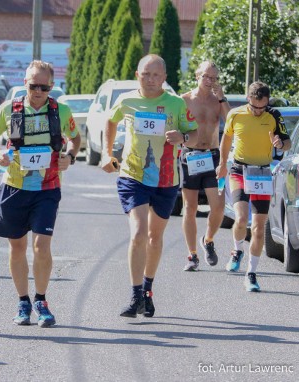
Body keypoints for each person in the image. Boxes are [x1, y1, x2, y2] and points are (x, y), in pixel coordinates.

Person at [0, 60, 81, 327]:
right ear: (24, 83)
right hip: (14, 186)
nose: (37, 91)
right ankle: (23, 301)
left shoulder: (60, 110)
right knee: (17, 247)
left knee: (41, 245)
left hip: (47, 187)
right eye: (32, 85)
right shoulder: (12, 109)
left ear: (51, 86)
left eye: (43, 87)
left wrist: (69, 156)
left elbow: (75, 138)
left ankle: (41, 300)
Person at [101, 54, 198, 318]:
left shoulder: (176, 104)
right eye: (146, 74)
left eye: (156, 75)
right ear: (137, 75)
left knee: (155, 238)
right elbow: (110, 121)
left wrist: (183, 136)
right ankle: (134, 295)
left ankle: (147, 290)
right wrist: (106, 153)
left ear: (164, 78)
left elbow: (195, 132)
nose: (151, 79)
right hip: (133, 176)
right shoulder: (127, 100)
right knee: (139, 234)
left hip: (166, 179)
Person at [216, 81, 290, 292]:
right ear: (248, 99)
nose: (258, 111)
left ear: (268, 102)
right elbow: (227, 139)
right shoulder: (235, 114)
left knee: (258, 227)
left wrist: (279, 144)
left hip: (262, 173)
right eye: (255, 106)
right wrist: (222, 164)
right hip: (239, 170)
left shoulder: (273, 115)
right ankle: (237, 250)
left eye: (262, 107)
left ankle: (251, 273)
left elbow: (287, 143)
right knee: (240, 219)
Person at [180, 61, 231, 271]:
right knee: (190, 208)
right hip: (189, 156)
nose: (210, 81)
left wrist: (222, 98)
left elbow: (231, 122)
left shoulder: (217, 101)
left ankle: (208, 239)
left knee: (218, 207)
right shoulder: (184, 100)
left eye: (214, 78)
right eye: (206, 77)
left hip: (212, 157)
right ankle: (192, 255)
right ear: (197, 76)